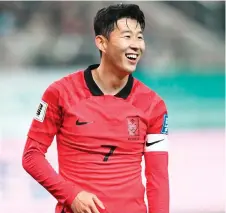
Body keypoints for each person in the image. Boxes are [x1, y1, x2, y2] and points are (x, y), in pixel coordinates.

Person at [22, 3, 169, 213]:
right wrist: (71, 195)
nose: (136, 45)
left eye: (140, 37)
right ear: (102, 43)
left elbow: (158, 177)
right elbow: (31, 155)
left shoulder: (154, 105)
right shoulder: (60, 93)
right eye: (127, 36)